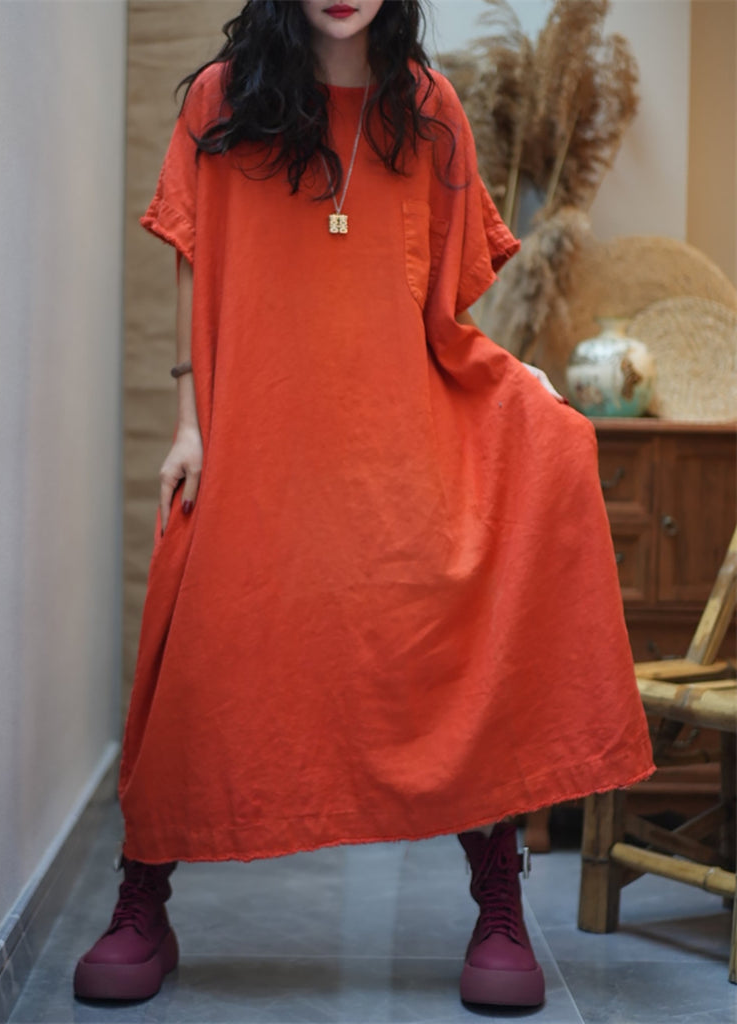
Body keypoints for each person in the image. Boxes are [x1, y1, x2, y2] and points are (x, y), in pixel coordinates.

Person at [74, 0, 653, 1011]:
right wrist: (188, 421)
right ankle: (144, 895)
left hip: (397, 436)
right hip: (256, 427)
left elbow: (447, 307)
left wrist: (519, 394)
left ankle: (498, 896)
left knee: (452, 634)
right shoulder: (220, 100)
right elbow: (193, 255)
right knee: (199, 637)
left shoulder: (429, 110)